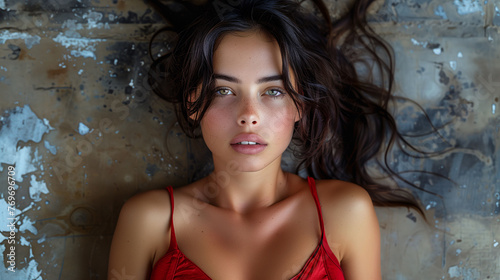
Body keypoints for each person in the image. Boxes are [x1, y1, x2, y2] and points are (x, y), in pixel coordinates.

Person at [108, 0, 424, 279]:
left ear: (300, 104)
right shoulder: (149, 220)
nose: (249, 115)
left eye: (273, 91)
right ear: (193, 103)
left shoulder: (345, 212)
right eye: (223, 90)